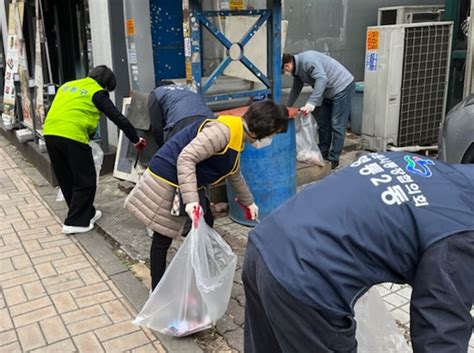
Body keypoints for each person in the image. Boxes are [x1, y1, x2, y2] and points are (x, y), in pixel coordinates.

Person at [243, 151, 474, 353]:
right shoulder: (461, 231)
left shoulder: (423, 165)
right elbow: (441, 330)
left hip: (265, 242)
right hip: (306, 279)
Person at [125, 100, 289, 290]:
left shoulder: (237, 134)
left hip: (187, 181)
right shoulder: (221, 132)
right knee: (164, 234)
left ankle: (195, 274)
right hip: (169, 180)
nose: (272, 138)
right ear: (262, 129)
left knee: (206, 222)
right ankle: (158, 289)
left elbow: (233, 171)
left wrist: (248, 202)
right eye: (273, 133)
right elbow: (186, 158)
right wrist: (192, 201)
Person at [43, 65, 146, 235]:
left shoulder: (67, 86)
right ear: (105, 84)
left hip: (50, 133)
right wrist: (136, 139)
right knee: (86, 179)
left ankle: (86, 213)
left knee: (66, 177)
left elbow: (65, 111)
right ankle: (75, 222)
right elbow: (118, 118)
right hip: (72, 135)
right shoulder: (97, 92)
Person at [282, 51, 355, 169]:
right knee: (323, 123)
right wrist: (287, 107)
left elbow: (322, 79)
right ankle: (322, 153)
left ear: (287, 65)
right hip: (328, 92)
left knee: (337, 124)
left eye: (284, 71)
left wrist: (311, 102)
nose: (285, 73)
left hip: (342, 87)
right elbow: (296, 88)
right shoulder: (297, 70)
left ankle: (333, 159)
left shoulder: (307, 61)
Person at [148, 80, 214, 147]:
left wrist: (162, 147)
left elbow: (156, 126)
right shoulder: (187, 90)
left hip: (181, 122)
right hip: (209, 119)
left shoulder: (156, 92)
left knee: (177, 155)